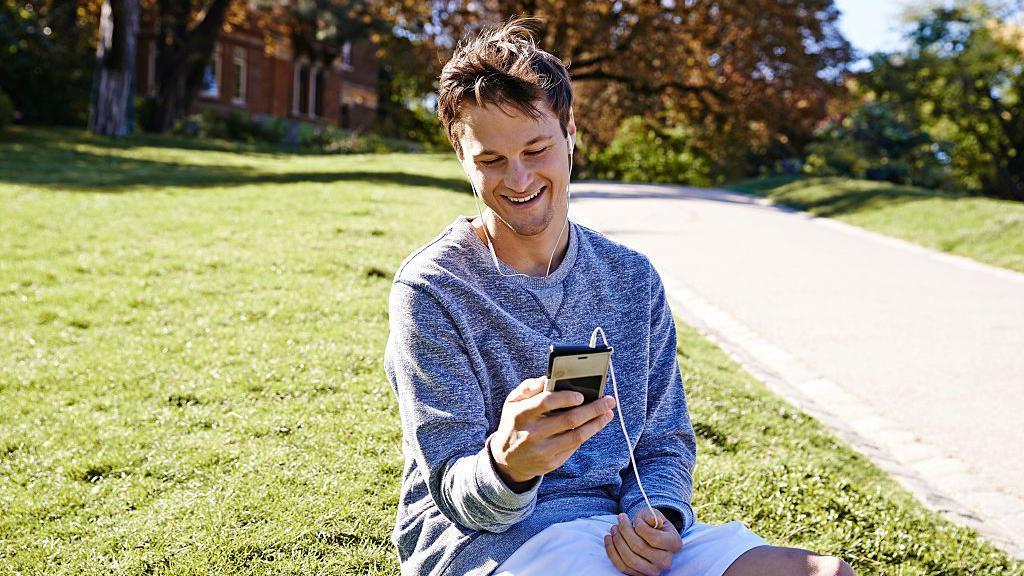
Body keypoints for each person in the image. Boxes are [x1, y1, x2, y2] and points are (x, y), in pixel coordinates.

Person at [383, 17, 856, 576]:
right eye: (490, 160)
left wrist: (657, 520)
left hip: (619, 527)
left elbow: (664, 438)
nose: (517, 178)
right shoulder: (433, 289)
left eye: (536, 149)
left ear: (571, 135)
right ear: (462, 157)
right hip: (489, 540)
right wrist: (507, 464)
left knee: (823, 574)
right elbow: (451, 489)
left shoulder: (631, 278)